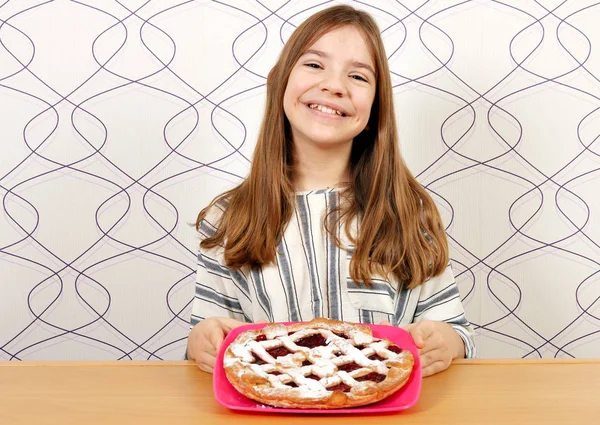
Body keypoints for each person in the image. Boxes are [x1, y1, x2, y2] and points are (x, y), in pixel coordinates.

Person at [187, 4, 475, 378]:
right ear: (280, 83)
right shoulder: (228, 219)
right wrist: (201, 340)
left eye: (357, 76)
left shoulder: (407, 211)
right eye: (314, 65)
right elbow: (210, 332)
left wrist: (446, 341)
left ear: (375, 107)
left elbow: (455, 331)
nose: (334, 85)